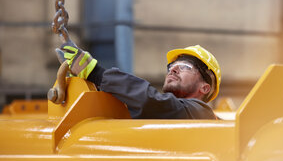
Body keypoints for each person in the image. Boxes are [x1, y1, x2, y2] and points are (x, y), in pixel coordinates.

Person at [56, 43, 221, 119]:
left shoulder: (201, 113)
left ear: (205, 88)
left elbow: (151, 101)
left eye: (185, 66)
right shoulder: (170, 114)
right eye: (171, 66)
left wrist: (96, 73)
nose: (173, 69)